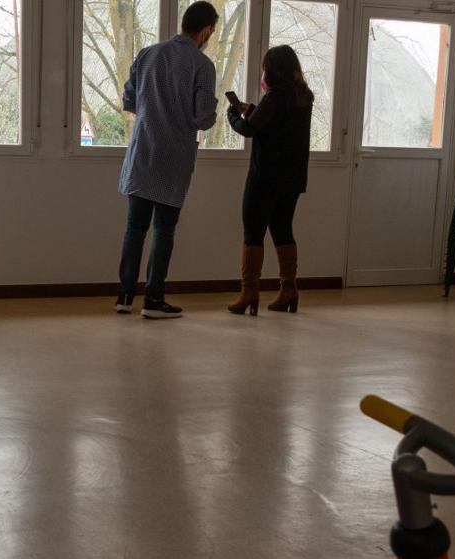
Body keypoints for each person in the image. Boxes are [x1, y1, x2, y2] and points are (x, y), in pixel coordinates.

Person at [114, 1, 219, 320]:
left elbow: (129, 100)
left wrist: (153, 112)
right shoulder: (202, 65)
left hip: (143, 150)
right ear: (205, 30)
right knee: (164, 229)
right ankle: (154, 300)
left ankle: (125, 296)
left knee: (135, 227)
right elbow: (202, 118)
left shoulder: (148, 53)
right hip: (173, 157)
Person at [224, 44, 313, 315]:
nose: (263, 73)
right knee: (283, 229)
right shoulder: (303, 97)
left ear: (273, 70)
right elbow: (276, 125)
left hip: (265, 177)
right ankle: (289, 290)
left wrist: (233, 115)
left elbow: (249, 129)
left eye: (265, 68)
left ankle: (249, 292)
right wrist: (252, 108)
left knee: (253, 232)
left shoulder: (274, 98)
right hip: (292, 178)